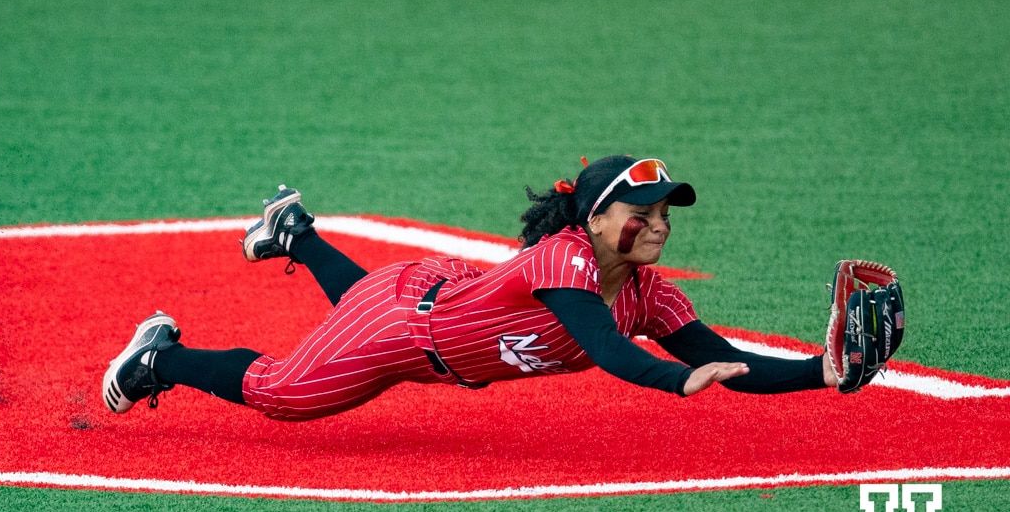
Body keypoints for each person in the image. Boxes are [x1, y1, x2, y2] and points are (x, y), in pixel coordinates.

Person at [102, 155, 838, 420]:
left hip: (433, 297)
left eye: (663, 215)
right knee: (283, 395)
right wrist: (677, 382)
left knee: (365, 302)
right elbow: (607, 350)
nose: (658, 228)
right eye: (641, 215)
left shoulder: (650, 293)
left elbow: (731, 361)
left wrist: (822, 372)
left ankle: (297, 234)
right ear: (593, 216)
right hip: (404, 329)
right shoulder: (565, 260)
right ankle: (157, 357)